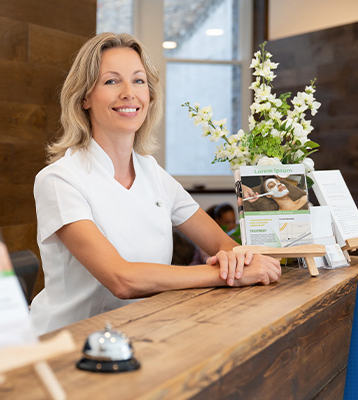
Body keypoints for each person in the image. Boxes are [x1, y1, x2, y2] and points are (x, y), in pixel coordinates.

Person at [29, 33, 281, 334]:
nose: (129, 93)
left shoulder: (152, 173)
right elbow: (121, 279)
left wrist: (236, 258)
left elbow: (223, 243)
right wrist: (225, 275)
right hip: (70, 343)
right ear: (84, 97)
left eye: (138, 81)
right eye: (111, 81)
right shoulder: (59, 179)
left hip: (143, 331)